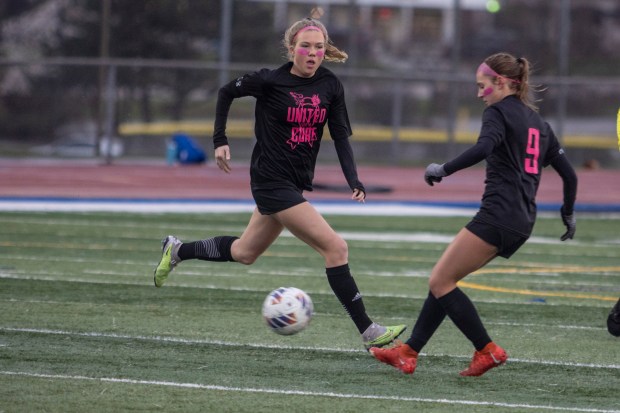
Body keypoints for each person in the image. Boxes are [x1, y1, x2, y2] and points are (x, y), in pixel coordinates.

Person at [153, 14, 406, 349]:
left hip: (293, 182)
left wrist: (353, 178)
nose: (312, 53)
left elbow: (341, 137)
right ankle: (368, 330)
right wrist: (219, 140)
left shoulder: (330, 85)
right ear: (291, 49)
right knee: (336, 248)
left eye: (318, 47)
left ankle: (178, 250)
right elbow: (226, 91)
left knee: (245, 252)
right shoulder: (270, 81)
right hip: (270, 181)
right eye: (305, 46)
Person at [370, 52, 578, 376]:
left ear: (502, 83)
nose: (480, 93)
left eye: (483, 86)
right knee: (446, 279)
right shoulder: (540, 124)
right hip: (522, 221)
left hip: (498, 215)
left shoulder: (497, 112)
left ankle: (487, 349)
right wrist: (568, 213)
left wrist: (443, 169)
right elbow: (570, 175)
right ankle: (408, 352)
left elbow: (483, 148)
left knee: (440, 279)